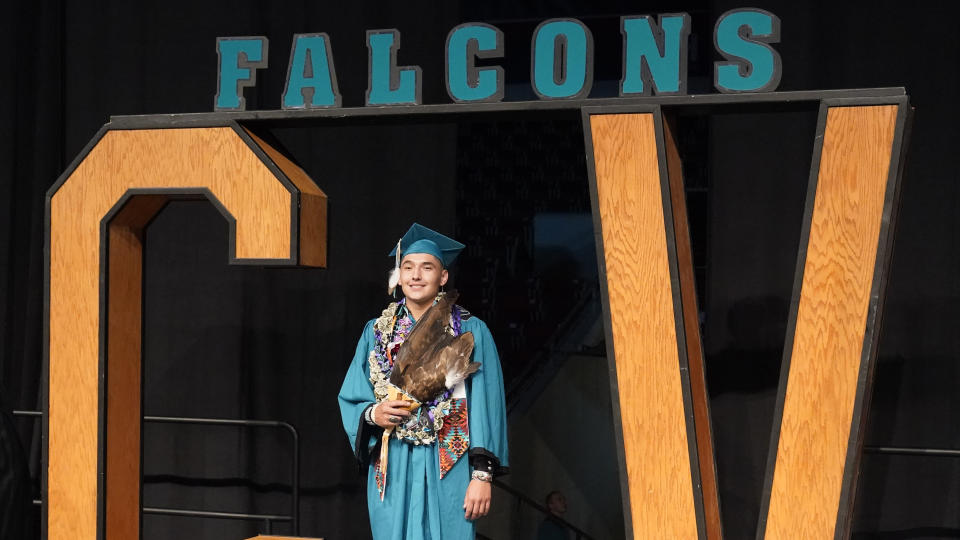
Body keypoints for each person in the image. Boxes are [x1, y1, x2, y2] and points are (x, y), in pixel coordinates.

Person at [338, 223, 509, 540]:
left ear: (443, 277)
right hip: (393, 461)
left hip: (449, 460)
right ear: (399, 276)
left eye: (427, 267)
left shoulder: (471, 331)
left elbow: (487, 404)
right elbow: (353, 394)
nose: (416, 276)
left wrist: (482, 476)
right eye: (408, 267)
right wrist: (373, 413)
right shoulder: (377, 332)